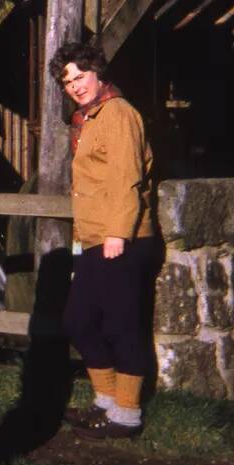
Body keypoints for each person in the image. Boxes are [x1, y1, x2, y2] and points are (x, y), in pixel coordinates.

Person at [51, 41, 156, 439]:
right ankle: (107, 401)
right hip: (94, 239)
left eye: (81, 76)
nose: (75, 86)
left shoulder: (118, 114)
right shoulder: (89, 119)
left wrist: (117, 234)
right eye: (68, 81)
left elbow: (127, 178)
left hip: (123, 238)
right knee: (78, 321)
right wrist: (83, 245)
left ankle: (127, 414)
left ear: (98, 73)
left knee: (122, 324)